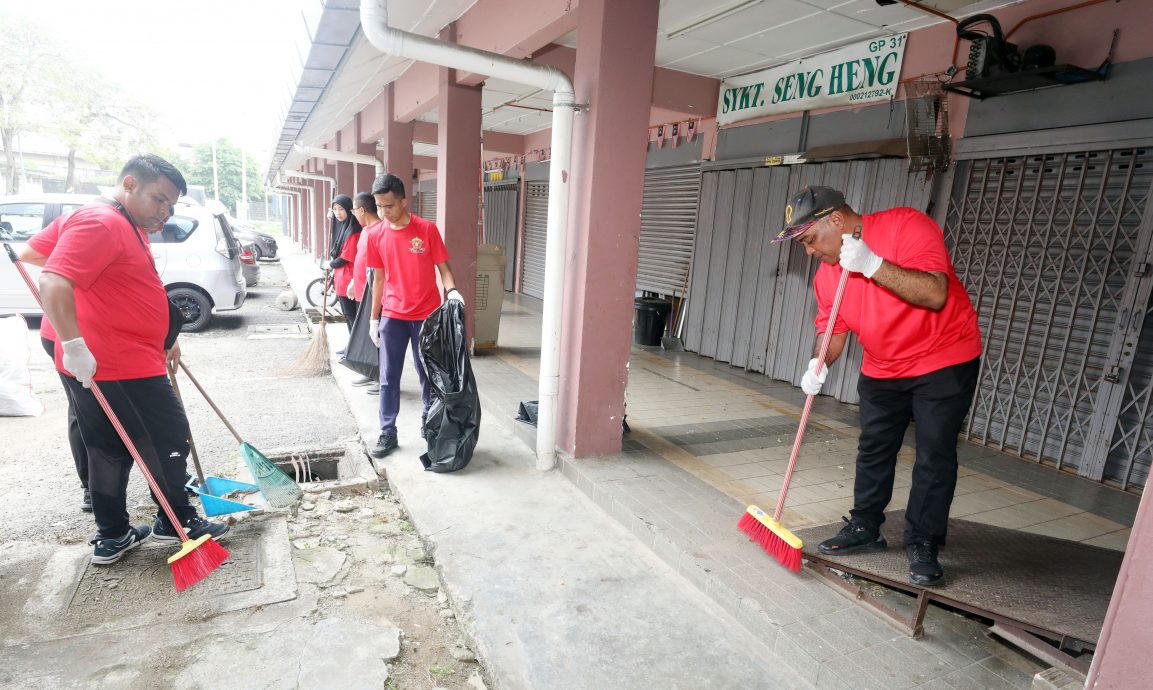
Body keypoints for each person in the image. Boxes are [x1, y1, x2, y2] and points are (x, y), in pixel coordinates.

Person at [775, 185, 982, 587]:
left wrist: (872, 265)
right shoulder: (827, 275)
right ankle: (866, 526)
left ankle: (923, 540)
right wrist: (819, 363)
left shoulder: (907, 226)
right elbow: (832, 328)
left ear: (836, 220)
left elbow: (936, 293)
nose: (810, 252)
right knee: (874, 446)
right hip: (883, 365)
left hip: (943, 358)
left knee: (934, 454)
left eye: (810, 240)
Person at [32, 154, 229, 565]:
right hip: (115, 361)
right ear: (128, 185)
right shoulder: (100, 222)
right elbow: (51, 276)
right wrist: (75, 343)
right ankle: (178, 522)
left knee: (106, 445)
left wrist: (160, 333)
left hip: (110, 355)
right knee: (166, 437)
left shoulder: (113, 219)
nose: (165, 211)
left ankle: (114, 535)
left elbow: (37, 252)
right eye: (159, 199)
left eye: (171, 205)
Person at [364, 173, 462, 458]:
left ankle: (428, 425)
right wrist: (374, 318)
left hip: (426, 316)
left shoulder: (427, 230)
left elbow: (444, 269)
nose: (384, 213)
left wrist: (452, 292)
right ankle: (388, 431)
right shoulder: (375, 234)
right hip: (393, 316)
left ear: (404, 201)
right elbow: (378, 279)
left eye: (390, 206)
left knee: (427, 375)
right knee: (388, 377)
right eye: (379, 207)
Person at [19, 216, 90, 512]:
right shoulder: (86, 221)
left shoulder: (141, 223)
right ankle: (92, 488)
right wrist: (78, 270)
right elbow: (29, 254)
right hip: (68, 333)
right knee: (83, 410)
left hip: (103, 332)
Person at [349, 193, 383, 394]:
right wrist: (354, 280)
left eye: (354, 210)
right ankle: (371, 372)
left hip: (374, 292)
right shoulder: (365, 231)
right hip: (362, 292)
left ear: (362, 210)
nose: (354, 214)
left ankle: (382, 377)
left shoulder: (379, 231)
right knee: (369, 337)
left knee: (378, 337)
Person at [327, 194, 362, 336]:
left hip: (349, 280)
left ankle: (354, 348)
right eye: (335, 209)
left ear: (349, 209)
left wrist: (330, 264)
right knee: (347, 315)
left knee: (352, 315)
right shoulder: (342, 226)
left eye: (341, 209)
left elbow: (346, 257)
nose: (337, 213)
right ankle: (350, 346)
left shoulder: (353, 230)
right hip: (341, 279)